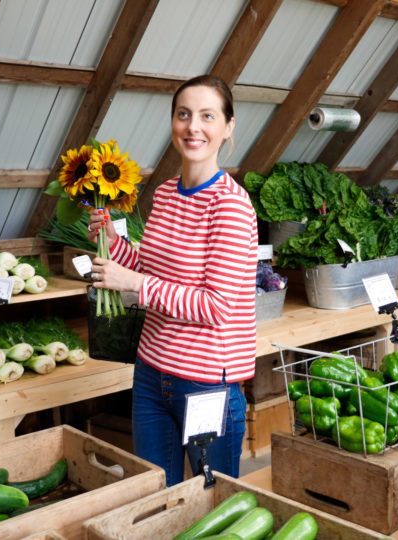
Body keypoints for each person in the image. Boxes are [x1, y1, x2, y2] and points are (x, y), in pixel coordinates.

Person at [86, 75, 258, 486]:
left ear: (228, 127)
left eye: (207, 116)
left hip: (205, 384)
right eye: (183, 115)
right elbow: (151, 272)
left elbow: (215, 306)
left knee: (208, 501)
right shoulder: (165, 194)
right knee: (156, 493)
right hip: (150, 372)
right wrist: (114, 244)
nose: (192, 127)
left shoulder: (230, 207)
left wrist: (131, 282)